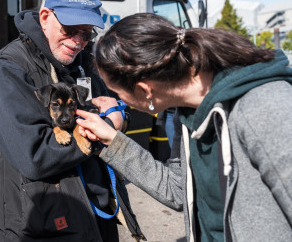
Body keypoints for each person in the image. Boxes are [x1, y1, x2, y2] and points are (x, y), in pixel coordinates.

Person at [76, 13, 292, 242]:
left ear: (145, 90)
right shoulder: (187, 114)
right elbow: (178, 191)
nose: (118, 101)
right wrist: (112, 140)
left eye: (118, 94)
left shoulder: (267, 107)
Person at [0, 0, 145, 241]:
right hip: (43, 226)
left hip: (97, 214)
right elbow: (36, 156)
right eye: (70, 29)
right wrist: (108, 127)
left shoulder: (84, 64)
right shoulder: (9, 71)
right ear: (45, 17)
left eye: (87, 33)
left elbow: (116, 110)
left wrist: (119, 117)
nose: (78, 41)